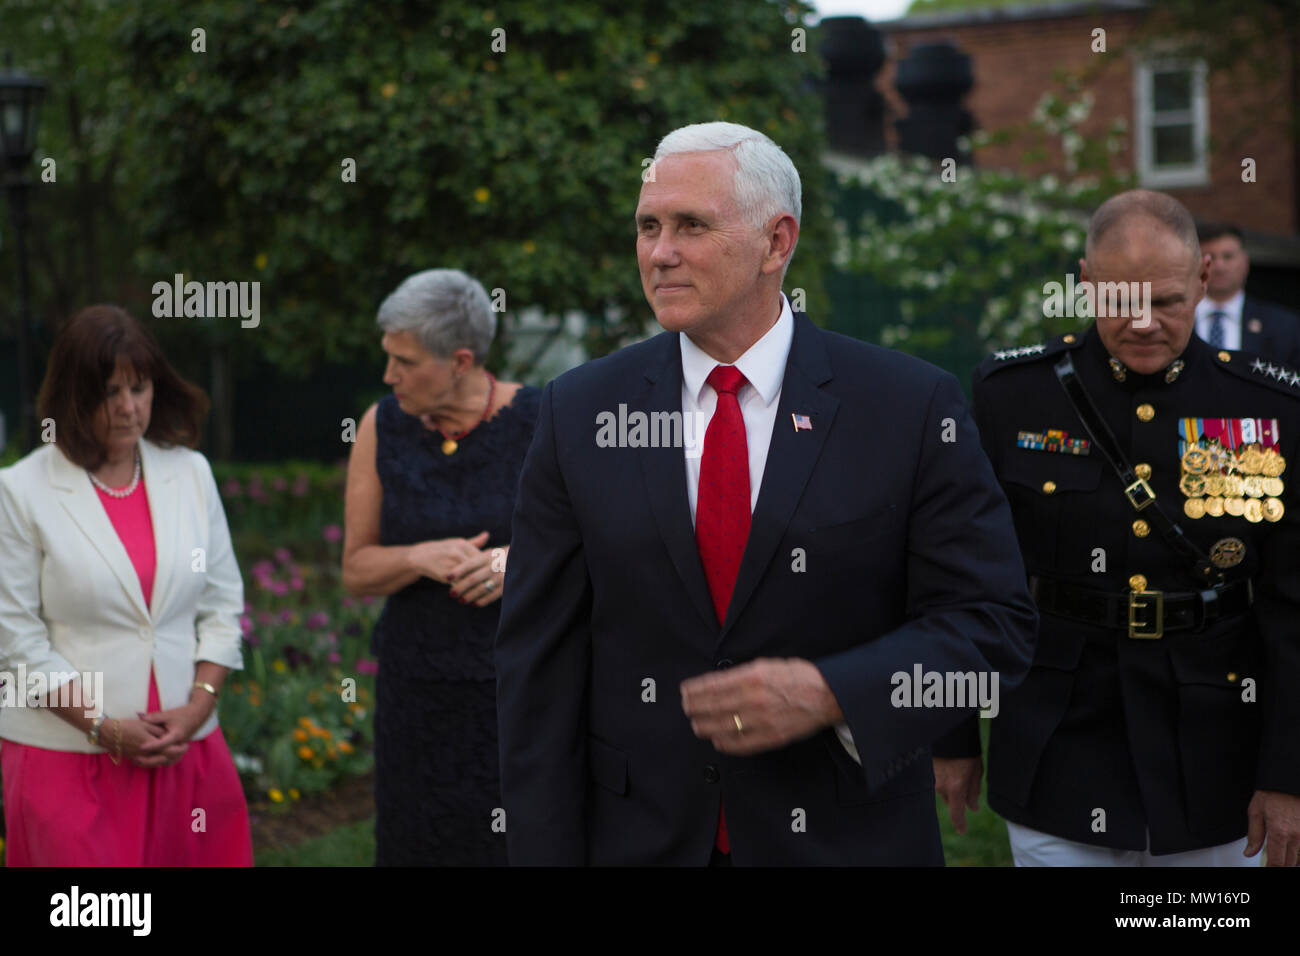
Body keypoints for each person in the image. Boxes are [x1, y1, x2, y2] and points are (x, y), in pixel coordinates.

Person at [494, 121, 1037, 866]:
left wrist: (833, 693)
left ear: (777, 243)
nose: (659, 253)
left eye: (691, 225)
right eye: (648, 226)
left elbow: (992, 627)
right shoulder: (578, 411)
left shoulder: (907, 407)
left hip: (849, 841)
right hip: (638, 840)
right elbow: (538, 669)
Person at [934, 190, 1300, 867]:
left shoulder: (1267, 407)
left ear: (1202, 281)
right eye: (1117, 299)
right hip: (1057, 740)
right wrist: (953, 738)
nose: (1142, 323)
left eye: (1165, 301)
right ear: (1083, 284)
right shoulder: (1011, 396)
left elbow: (1291, 609)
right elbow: (966, 580)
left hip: (1218, 752)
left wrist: (1288, 772)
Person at [0, 304, 251, 866]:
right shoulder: (19, 492)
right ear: (71, 396)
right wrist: (106, 730)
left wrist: (198, 705)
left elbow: (222, 606)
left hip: (187, 751)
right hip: (66, 759)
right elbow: (17, 647)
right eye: (109, 391)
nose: (128, 407)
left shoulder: (191, 473)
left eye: (139, 388)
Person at [342, 268, 539, 866]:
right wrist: (416, 557)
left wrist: (514, 563)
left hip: (512, 692)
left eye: (404, 361)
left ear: (459, 360)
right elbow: (355, 568)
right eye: (388, 357)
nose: (388, 376)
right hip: (415, 692)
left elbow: (592, 548)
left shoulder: (541, 420)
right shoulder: (383, 424)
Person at [1195, 223, 1300, 368]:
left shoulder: (1285, 327)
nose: (1219, 266)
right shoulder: (1175, 319)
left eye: (1228, 256)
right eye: (1210, 257)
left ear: (1245, 262)